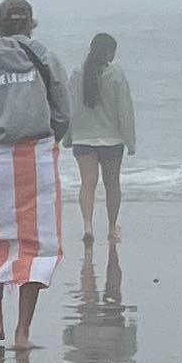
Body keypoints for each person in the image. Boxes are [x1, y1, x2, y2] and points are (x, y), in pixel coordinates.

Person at [0, 0, 71, 352]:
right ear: (31, 23)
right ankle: (22, 331)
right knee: (38, 245)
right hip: (37, 155)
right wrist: (51, 138)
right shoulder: (46, 57)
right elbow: (63, 112)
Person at [73, 30, 137, 250]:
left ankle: (88, 225)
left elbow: (71, 108)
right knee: (112, 185)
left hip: (83, 139)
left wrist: (68, 138)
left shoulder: (76, 74)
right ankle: (111, 227)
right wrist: (130, 141)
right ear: (109, 52)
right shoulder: (116, 74)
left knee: (87, 184)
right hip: (111, 140)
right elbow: (124, 110)